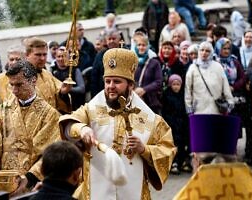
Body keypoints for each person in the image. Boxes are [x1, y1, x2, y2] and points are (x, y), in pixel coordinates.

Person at [59, 48, 176, 200]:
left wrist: (144, 149)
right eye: (107, 81)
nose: (110, 86)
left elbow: (167, 150)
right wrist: (82, 129)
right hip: (96, 189)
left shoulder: (150, 119)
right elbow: (68, 124)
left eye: (117, 82)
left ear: (130, 85)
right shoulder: (91, 109)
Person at [0, 60, 60, 196]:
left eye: (19, 85)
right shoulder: (0, 111)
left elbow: (49, 155)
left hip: (32, 184)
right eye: (11, 85)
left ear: (33, 81)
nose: (14, 91)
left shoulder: (50, 115)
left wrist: (29, 178)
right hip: (2, 184)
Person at [184, 41, 234, 171]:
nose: (204, 53)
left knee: (214, 144)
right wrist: (189, 108)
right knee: (200, 146)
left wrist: (229, 101)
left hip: (215, 110)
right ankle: (198, 174)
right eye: (202, 50)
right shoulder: (193, 68)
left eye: (207, 51)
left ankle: (214, 172)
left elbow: (225, 86)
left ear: (211, 52)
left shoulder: (217, 67)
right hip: (199, 111)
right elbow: (188, 90)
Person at [24, 37, 72, 114]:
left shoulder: (47, 74)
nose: (42, 58)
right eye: (38, 55)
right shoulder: (20, 77)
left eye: (45, 54)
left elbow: (59, 95)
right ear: (27, 55)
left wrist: (62, 93)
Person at [162, 74, 191, 174]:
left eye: (178, 84)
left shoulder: (183, 95)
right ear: (170, 85)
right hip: (171, 124)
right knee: (173, 144)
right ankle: (174, 163)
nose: (176, 86)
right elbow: (165, 111)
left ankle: (182, 162)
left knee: (182, 143)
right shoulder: (166, 95)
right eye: (174, 84)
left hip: (182, 123)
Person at [133, 33, 163, 114]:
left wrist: (144, 89)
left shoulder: (154, 63)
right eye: (139, 45)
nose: (141, 47)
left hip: (151, 102)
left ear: (147, 47)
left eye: (144, 45)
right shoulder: (132, 62)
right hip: (135, 102)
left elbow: (158, 82)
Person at [90, 29, 121, 98]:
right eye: (109, 39)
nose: (111, 41)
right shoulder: (100, 55)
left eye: (114, 39)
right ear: (106, 41)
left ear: (119, 39)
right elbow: (94, 77)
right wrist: (95, 96)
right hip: (104, 92)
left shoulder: (126, 53)